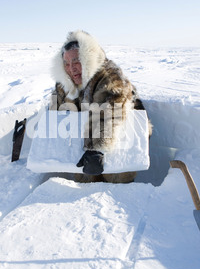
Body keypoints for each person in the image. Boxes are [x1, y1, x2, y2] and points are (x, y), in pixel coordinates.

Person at [50, 30, 152, 183]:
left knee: (116, 177)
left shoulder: (110, 76)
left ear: (88, 58)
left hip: (121, 137)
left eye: (77, 61)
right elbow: (56, 113)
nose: (72, 68)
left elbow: (109, 111)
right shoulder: (64, 84)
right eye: (66, 63)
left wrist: (96, 149)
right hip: (87, 143)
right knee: (84, 180)